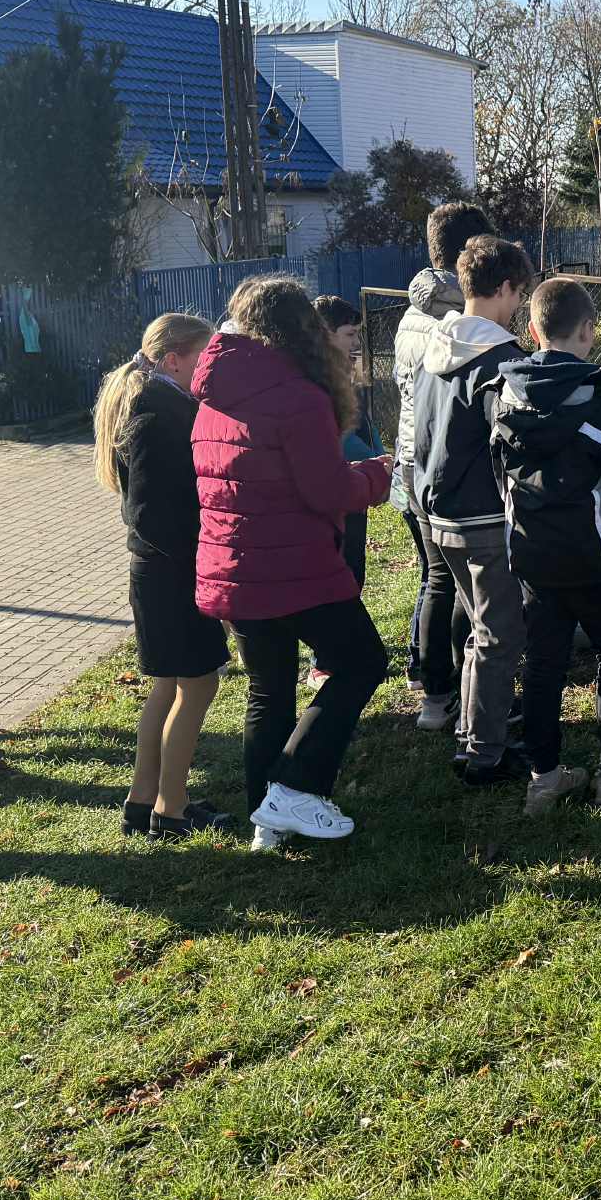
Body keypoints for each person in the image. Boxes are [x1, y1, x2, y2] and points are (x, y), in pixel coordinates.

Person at [191, 275, 391, 849]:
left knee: (269, 689)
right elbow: (327, 491)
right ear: (299, 326)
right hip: (296, 566)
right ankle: (297, 787)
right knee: (360, 662)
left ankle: (265, 821)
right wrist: (379, 475)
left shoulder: (212, 397)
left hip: (235, 566)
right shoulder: (299, 396)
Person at [485, 277, 601, 816]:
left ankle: (544, 777)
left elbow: (499, 474)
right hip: (599, 556)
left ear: (533, 330)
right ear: (589, 330)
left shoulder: (503, 393)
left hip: (533, 554)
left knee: (543, 662)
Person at [93, 313, 233, 840]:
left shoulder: (159, 403)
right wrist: (201, 554)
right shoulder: (158, 413)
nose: (209, 368)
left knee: (169, 686)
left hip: (160, 573)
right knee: (197, 687)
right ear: (173, 361)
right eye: (202, 357)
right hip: (172, 575)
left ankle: (142, 801)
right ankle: (171, 811)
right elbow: (149, 512)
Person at [411, 235, 531, 783]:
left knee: (481, 631)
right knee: (499, 636)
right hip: (484, 517)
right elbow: (512, 444)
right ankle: (485, 754)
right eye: (518, 295)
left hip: (437, 511)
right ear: (505, 287)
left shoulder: (436, 346)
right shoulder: (500, 360)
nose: (518, 308)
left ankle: (471, 734)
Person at [390, 201, 492, 728]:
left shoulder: (412, 311)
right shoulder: (458, 321)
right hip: (445, 464)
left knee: (436, 577)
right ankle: (458, 687)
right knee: (461, 581)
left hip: (410, 463)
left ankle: (432, 694)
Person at [306, 294, 385, 693]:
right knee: (339, 571)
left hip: (358, 487)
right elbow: (338, 440)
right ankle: (324, 660)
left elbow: (361, 427)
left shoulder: (343, 374)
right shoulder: (316, 382)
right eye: (350, 334)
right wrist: (377, 461)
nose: (357, 343)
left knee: (353, 568)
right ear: (325, 334)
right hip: (340, 489)